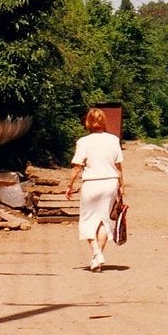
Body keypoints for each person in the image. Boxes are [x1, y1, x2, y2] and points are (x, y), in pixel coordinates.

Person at [65, 108, 124, 272]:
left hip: (91, 183)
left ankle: (97, 253)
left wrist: (69, 185)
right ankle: (97, 259)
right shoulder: (113, 140)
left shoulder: (83, 142)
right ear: (103, 121)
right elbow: (119, 165)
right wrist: (121, 185)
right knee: (104, 220)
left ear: (88, 122)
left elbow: (77, 167)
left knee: (87, 220)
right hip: (110, 183)